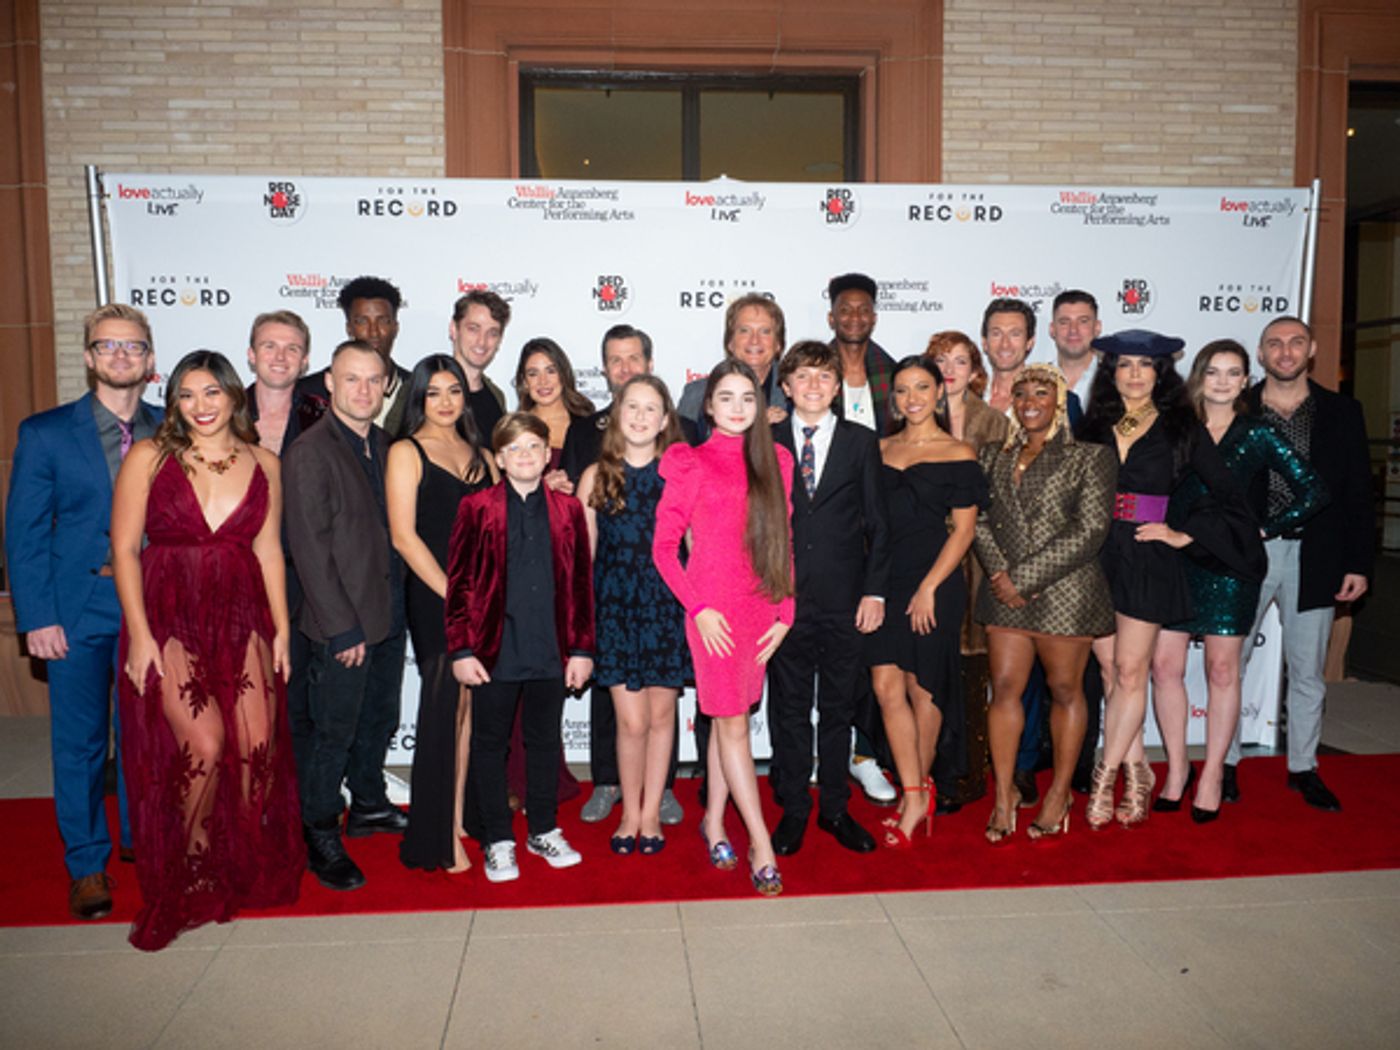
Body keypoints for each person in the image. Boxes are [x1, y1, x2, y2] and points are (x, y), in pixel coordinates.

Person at [111, 350, 303, 950]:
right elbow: (123, 551)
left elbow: (269, 551)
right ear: (173, 402)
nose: (200, 406)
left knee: (257, 747)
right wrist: (140, 636)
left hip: (243, 616)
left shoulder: (265, 463)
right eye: (187, 395)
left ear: (233, 397)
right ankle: (190, 868)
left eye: (212, 393)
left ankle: (234, 859)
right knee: (205, 743)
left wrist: (282, 631)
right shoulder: (149, 456)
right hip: (169, 617)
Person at [6, 303, 162, 920]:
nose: (121, 356)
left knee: (147, 737)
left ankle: (142, 843)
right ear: (90, 356)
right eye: (108, 346)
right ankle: (87, 866)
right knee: (81, 742)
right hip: (75, 608)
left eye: (133, 346)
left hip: (151, 606)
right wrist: (36, 617)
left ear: (150, 359)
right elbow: (23, 533)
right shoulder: (45, 432)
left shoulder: (170, 429)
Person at [1077, 329, 1264, 829]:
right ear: (1110, 372)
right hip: (1095, 557)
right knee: (1111, 673)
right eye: (1124, 365)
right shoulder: (1093, 424)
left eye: (1145, 365)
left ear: (1160, 373)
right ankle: (1139, 773)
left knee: (1134, 671)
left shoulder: (1182, 427)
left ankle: (1106, 777)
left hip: (1145, 555)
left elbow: (1228, 494)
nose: (1134, 374)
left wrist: (1184, 534)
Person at [1150, 339, 1325, 822]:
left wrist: (1263, 527)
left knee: (1223, 672)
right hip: (1173, 556)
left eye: (1233, 373)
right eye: (1214, 372)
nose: (1223, 382)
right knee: (1164, 668)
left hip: (1228, 565)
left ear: (1245, 380)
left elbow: (1313, 489)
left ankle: (1211, 776)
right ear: (1199, 377)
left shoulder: (1258, 433)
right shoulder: (1175, 430)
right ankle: (1177, 771)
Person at [653, 360, 794, 896]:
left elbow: (783, 541)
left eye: (748, 398)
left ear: (760, 408)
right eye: (726, 398)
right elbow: (664, 550)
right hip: (712, 616)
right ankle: (759, 839)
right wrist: (699, 609)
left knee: (724, 714)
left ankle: (712, 823)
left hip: (761, 610)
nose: (737, 408)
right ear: (707, 406)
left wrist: (787, 612)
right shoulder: (688, 462)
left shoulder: (775, 461)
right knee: (733, 722)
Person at [1224, 316, 1373, 811]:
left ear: (1310, 350)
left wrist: (1358, 562)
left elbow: (1357, 491)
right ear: (1261, 355)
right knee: (1230, 662)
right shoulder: (1238, 408)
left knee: (1307, 669)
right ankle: (1223, 765)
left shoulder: (1341, 412)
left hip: (1319, 552)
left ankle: (1303, 768)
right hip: (1248, 553)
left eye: (1294, 343)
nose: (1285, 352)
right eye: (1274, 344)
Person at [446, 413, 595, 883]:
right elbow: (460, 584)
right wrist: (461, 649)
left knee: (545, 741)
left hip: (550, 648)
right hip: (493, 649)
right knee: (489, 745)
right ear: (499, 457)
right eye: (515, 448)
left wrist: (583, 649)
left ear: (548, 452)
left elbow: (580, 586)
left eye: (534, 446)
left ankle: (544, 829)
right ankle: (499, 839)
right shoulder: (478, 507)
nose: (526, 456)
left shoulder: (568, 510)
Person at [284, 339, 409, 892]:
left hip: (385, 615)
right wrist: (341, 627)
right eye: (350, 379)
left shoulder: (384, 444)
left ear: (385, 386)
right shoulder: (311, 451)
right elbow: (309, 548)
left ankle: (369, 805)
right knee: (332, 732)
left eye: (372, 380)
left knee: (378, 720)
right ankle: (319, 832)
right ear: (329, 384)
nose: (363, 390)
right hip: (342, 627)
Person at [973, 365, 1116, 843]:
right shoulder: (992, 454)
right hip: (1004, 592)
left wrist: (1025, 579)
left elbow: (1091, 530)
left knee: (1064, 689)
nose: (1030, 400)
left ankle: (1058, 792)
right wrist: (1001, 575)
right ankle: (1004, 796)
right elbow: (977, 519)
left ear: (1059, 400)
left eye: (1042, 392)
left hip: (1067, 594)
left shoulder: (1088, 457)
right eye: (1021, 393)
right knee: (1006, 688)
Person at [767, 341, 889, 857]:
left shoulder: (862, 442)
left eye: (823, 377)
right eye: (802, 377)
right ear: (787, 386)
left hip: (845, 600)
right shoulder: (765, 439)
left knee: (838, 709)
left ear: (837, 386)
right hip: (783, 600)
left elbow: (879, 524)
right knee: (789, 710)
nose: (813, 386)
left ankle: (836, 808)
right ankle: (794, 808)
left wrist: (875, 591)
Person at [866, 356, 986, 847]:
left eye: (922, 387)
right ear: (892, 397)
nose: (912, 398)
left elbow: (964, 531)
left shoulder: (958, 452)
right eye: (902, 390)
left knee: (923, 687)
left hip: (934, 583)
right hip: (883, 579)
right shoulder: (877, 449)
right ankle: (915, 789)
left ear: (940, 391)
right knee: (885, 685)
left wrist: (929, 587)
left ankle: (916, 795)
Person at [569, 327, 685, 828]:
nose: (639, 416)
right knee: (630, 721)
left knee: (661, 720)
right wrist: (579, 631)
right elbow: (580, 559)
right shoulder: (596, 475)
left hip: (667, 610)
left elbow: (697, 552)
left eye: (650, 409)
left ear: (664, 420)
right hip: (614, 611)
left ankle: (648, 816)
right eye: (631, 407)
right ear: (617, 414)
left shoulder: (681, 475)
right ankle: (628, 812)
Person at [387, 356, 495, 873]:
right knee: (443, 710)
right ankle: (436, 835)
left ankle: (457, 817)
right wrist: (456, 594)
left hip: (484, 596)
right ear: (418, 399)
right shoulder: (405, 452)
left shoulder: (483, 455)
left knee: (470, 710)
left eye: (454, 390)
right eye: (434, 393)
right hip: (436, 597)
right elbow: (404, 537)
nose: (447, 401)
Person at [928, 330, 1008, 812]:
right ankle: (930, 767)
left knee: (973, 670)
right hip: (924, 556)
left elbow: (999, 500)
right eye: (941, 360)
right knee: (930, 668)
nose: (950, 369)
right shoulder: (914, 415)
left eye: (961, 360)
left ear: (975, 369)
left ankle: (969, 773)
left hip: (979, 560)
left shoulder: (994, 423)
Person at [296, 275, 412, 438]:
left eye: (383, 321)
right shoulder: (309, 393)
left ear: (395, 327)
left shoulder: (417, 390)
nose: (373, 332)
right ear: (349, 328)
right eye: (362, 322)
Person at [675, 294, 791, 442]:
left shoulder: (797, 395)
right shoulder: (697, 394)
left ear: (778, 344)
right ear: (730, 342)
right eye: (744, 330)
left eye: (765, 331)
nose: (754, 340)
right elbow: (681, 457)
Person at [514, 336, 595, 494]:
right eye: (533, 373)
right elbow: (504, 498)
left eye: (551, 371)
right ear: (524, 381)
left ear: (563, 375)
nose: (543, 381)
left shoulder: (588, 424)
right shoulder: (514, 431)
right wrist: (541, 489)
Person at [826, 272, 898, 433]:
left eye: (864, 310)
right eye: (845, 310)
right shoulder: (814, 371)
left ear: (874, 319)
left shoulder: (893, 373)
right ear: (831, 319)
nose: (855, 317)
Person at [245, 310, 325, 455]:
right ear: (252, 355)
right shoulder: (226, 413)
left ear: (304, 361)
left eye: (292, 349)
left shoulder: (322, 417)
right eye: (270, 346)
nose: (280, 357)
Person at [449, 290, 511, 441]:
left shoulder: (496, 396)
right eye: (473, 329)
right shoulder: (425, 386)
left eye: (492, 333)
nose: (482, 342)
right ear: (454, 329)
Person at [981, 298, 1036, 414]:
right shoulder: (968, 398)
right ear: (984, 342)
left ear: (1029, 342)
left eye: (1015, 334)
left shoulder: (1055, 400)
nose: (1005, 344)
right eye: (996, 334)